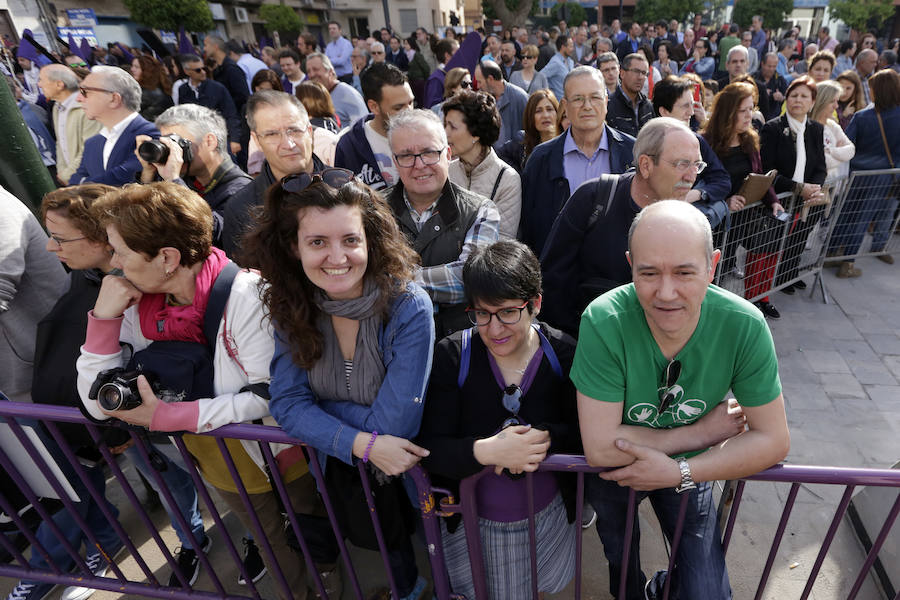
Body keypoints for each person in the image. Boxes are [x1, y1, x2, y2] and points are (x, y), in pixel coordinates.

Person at [73, 182, 313, 593]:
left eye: (120, 252)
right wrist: (103, 320)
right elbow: (97, 406)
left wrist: (169, 416)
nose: (112, 264)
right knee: (272, 541)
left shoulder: (248, 295)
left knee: (312, 524)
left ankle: (327, 579)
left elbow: (266, 393)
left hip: (276, 449)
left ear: (166, 257)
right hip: (214, 456)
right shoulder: (136, 303)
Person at [575, 200, 790, 600]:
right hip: (619, 470)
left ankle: (663, 588)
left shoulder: (743, 324)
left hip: (687, 471)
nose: (666, 292)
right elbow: (601, 448)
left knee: (707, 590)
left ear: (713, 266)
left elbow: (774, 439)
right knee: (621, 558)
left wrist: (679, 472)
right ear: (630, 265)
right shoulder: (603, 320)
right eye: (649, 273)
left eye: (685, 272)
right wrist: (697, 433)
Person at [246, 173, 434, 600]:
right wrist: (365, 444)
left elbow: (396, 423)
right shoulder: (292, 304)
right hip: (341, 463)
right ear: (293, 247)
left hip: (409, 468)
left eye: (350, 239)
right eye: (317, 242)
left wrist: (323, 413)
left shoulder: (407, 304)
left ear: (370, 239)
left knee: (428, 543)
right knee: (379, 540)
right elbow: (289, 404)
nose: (337, 257)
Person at [417, 240, 579, 599]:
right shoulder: (452, 356)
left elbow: (584, 434)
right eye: (482, 313)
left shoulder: (563, 352)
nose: (494, 328)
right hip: (475, 521)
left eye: (507, 312)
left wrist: (549, 438)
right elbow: (430, 446)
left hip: (547, 517)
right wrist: (486, 451)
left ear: (535, 303)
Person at [540, 118, 705, 336]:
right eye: (682, 164)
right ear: (646, 165)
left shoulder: (689, 224)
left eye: (697, 165)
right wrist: (581, 341)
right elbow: (552, 279)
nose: (691, 175)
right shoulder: (593, 199)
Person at [383, 109, 501, 338]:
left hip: (457, 344)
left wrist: (395, 281)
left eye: (429, 152)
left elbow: (470, 279)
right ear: (395, 162)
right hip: (387, 341)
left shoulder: (481, 210)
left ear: (448, 154)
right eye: (406, 155)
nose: (419, 164)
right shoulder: (372, 210)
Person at [520, 66, 635, 257]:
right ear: (564, 105)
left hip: (617, 276)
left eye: (595, 97)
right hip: (557, 274)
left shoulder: (632, 152)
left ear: (606, 101)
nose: (587, 106)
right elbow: (529, 229)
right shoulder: (541, 159)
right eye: (578, 99)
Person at [703, 82, 787, 319]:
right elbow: (704, 182)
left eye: (752, 108)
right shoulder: (707, 142)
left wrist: (773, 201)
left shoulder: (750, 139)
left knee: (726, 264)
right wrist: (726, 200)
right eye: (743, 110)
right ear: (728, 111)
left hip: (741, 222)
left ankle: (718, 311)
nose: (750, 115)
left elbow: (759, 174)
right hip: (715, 221)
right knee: (711, 269)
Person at [222, 91, 326, 260]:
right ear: (256, 140)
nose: (288, 144)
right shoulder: (241, 209)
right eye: (272, 134)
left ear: (310, 131)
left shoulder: (347, 189)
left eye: (294, 130)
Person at [134, 104, 252, 246]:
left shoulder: (241, 190)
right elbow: (140, 223)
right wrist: (148, 173)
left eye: (177, 143)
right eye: (167, 143)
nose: (173, 152)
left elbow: (211, 235)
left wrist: (173, 180)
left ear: (209, 142)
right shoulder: (184, 180)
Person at [828, 69, 900, 273]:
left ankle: (832, 254)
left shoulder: (861, 116)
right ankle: (847, 263)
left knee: (844, 214)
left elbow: (846, 145)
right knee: (862, 218)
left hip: (856, 174)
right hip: (884, 177)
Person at [760, 75, 827, 291]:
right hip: (781, 196)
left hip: (807, 198)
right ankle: (765, 287)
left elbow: (820, 167)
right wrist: (797, 188)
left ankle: (788, 274)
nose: (798, 100)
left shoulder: (815, 129)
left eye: (804, 96)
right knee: (772, 243)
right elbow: (766, 171)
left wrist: (815, 188)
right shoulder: (773, 129)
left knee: (799, 238)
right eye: (793, 95)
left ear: (812, 102)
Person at [444, 89, 522, 239]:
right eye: (445, 125)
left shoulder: (507, 179)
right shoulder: (446, 172)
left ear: (475, 133)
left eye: (452, 127)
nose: (445, 133)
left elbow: (503, 240)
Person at [70, 66, 159, 186]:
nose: (78, 98)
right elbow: (74, 182)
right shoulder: (92, 143)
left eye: (85, 92)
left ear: (114, 99)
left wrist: (83, 185)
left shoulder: (150, 134)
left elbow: (124, 178)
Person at [335, 62, 414, 190]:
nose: (409, 111)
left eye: (410, 103)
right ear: (374, 107)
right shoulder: (348, 147)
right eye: (398, 107)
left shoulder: (425, 136)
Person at [37, 64, 102, 185]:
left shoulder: (87, 107)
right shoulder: (57, 107)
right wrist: (62, 172)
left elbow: (90, 150)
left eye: (41, 79)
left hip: (93, 181)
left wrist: (68, 175)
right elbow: (60, 143)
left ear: (59, 84)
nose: (39, 84)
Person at [177, 55, 242, 155]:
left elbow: (230, 114)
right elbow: (184, 117)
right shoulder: (183, 90)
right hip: (198, 142)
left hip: (221, 140)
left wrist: (235, 139)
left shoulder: (217, 88)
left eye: (204, 68)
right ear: (187, 71)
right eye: (198, 70)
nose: (203, 72)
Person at [497, 88, 560, 174]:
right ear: (530, 116)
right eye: (538, 111)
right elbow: (499, 156)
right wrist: (519, 176)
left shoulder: (567, 143)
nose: (545, 115)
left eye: (549, 109)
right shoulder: (522, 142)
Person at [475, 60, 529, 149]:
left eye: (480, 82)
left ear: (490, 79)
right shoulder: (483, 100)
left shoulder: (520, 98)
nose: (478, 86)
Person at [305, 52, 368, 129]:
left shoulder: (348, 93)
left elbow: (363, 127)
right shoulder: (314, 97)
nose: (311, 74)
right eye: (308, 71)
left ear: (330, 72)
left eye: (316, 69)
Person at [812, 80, 855, 181]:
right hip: (815, 188)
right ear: (821, 101)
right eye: (832, 101)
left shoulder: (832, 125)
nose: (836, 106)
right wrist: (840, 156)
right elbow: (820, 161)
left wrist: (830, 151)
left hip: (832, 189)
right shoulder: (808, 127)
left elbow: (851, 150)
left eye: (837, 101)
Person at [715, 46, 771, 119]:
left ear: (747, 64)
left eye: (742, 61)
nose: (738, 65)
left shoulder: (759, 88)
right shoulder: (718, 86)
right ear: (727, 65)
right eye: (734, 61)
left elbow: (765, 117)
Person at [606, 53, 654, 137]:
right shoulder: (608, 106)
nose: (640, 77)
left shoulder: (648, 106)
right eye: (636, 71)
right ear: (622, 73)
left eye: (644, 73)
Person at [203, 34, 250, 113]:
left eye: (205, 45)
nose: (204, 49)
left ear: (215, 46)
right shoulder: (218, 69)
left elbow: (242, 96)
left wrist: (224, 105)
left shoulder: (232, 69)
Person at [130, 55, 174, 123]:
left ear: (148, 70)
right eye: (132, 66)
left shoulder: (150, 93)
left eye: (136, 67)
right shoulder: (142, 89)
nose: (132, 69)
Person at [424, 38, 460, 108]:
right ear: (447, 56)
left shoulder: (452, 74)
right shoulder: (436, 79)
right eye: (458, 52)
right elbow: (433, 107)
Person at [540, 34, 575, 104]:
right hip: (558, 103)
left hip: (569, 102)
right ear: (563, 47)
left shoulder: (570, 61)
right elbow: (540, 76)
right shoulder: (555, 62)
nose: (573, 49)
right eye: (571, 46)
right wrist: (548, 91)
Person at [755, 53, 788, 120]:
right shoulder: (754, 78)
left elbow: (787, 97)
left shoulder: (780, 80)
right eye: (769, 66)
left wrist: (781, 97)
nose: (771, 69)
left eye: (774, 66)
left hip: (775, 117)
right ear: (762, 64)